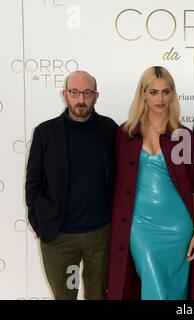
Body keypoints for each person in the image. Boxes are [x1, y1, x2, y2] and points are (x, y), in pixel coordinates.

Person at [107, 66, 194, 300]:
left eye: (166, 92)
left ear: (173, 95)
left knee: (175, 292)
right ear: (143, 94)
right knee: (152, 284)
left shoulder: (184, 136)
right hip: (139, 225)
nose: (160, 98)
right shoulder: (126, 134)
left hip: (179, 227)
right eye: (153, 92)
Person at [25, 70, 118, 299]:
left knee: (98, 296)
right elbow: (33, 184)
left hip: (101, 236)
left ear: (96, 96)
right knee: (65, 296)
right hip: (60, 239)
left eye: (87, 93)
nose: (80, 100)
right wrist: (40, 225)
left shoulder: (110, 130)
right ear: (64, 94)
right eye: (74, 92)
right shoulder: (45, 133)